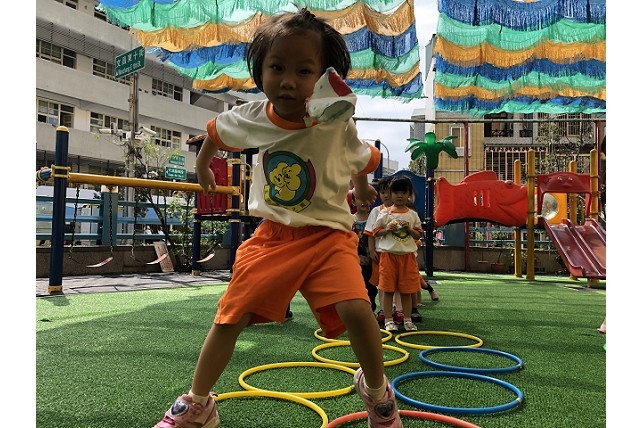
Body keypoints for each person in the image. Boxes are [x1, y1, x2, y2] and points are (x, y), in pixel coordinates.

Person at [154, 8, 403, 428]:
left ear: (323, 77)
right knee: (229, 316)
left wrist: (361, 189)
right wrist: (201, 166)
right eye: (277, 67)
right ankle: (198, 403)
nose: (288, 80)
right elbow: (215, 132)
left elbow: (360, 157)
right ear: (260, 71)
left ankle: (377, 393)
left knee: (357, 308)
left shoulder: (335, 120)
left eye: (303, 71)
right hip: (272, 238)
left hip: (328, 237)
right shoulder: (251, 116)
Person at [372, 176, 423, 332]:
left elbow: (418, 235)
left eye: (403, 192)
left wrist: (408, 229)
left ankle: (407, 320)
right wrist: (388, 229)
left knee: (407, 290)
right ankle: (388, 320)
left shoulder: (412, 215)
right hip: (388, 256)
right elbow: (376, 232)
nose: (400, 196)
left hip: (407, 257)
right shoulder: (384, 213)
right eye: (396, 192)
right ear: (391, 194)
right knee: (387, 290)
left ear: (409, 195)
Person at [353, 196, 378, 311]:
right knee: (356, 286)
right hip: (355, 260)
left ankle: (371, 308)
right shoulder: (350, 220)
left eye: (366, 199)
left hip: (372, 260)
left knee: (371, 287)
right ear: (353, 202)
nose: (364, 202)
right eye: (360, 199)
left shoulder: (375, 219)